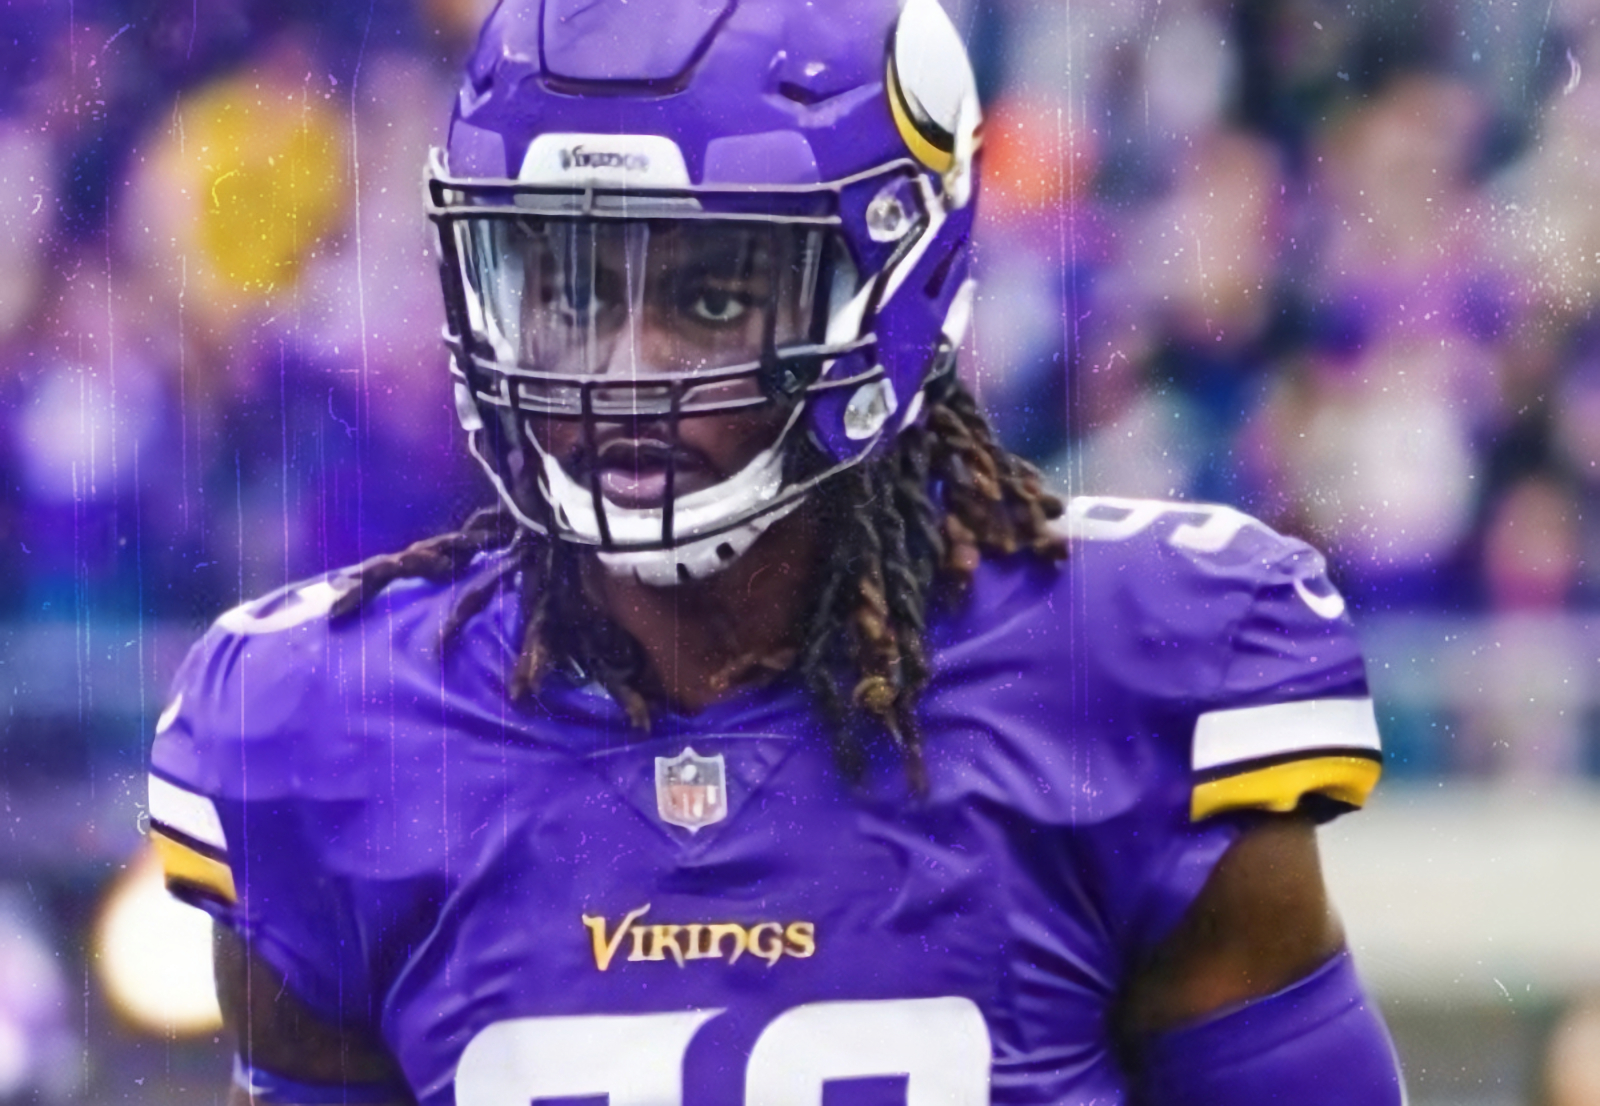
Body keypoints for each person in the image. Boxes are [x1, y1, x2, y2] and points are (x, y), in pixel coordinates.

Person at [146, 0, 1406, 1101]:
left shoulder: (1119, 677)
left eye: (708, 296)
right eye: (574, 290)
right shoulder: (327, 734)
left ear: (894, 276)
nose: (623, 372)